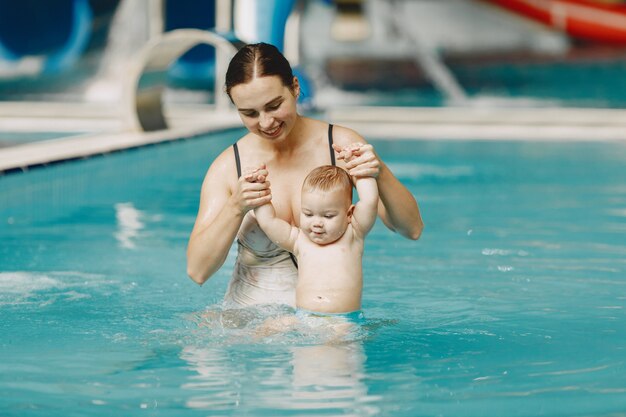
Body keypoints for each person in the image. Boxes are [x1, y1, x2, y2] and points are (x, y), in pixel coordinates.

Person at [186, 42, 423, 307]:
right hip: (248, 327)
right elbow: (198, 271)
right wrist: (235, 207)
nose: (266, 123)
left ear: (296, 88)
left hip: (324, 323)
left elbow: (411, 229)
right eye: (250, 114)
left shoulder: (341, 146)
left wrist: (378, 171)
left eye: (274, 106)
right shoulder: (229, 167)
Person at [246, 161, 377, 318]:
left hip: (342, 321)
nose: (317, 223)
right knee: (269, 327)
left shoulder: (353, 235)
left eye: (328, 216)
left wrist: (361, 170)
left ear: (349, 214)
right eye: (308, 214)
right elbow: (269, 222)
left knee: (336, 341)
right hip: (303, 317)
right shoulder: (298, 240)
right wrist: (258, 189)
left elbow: (369, 201)